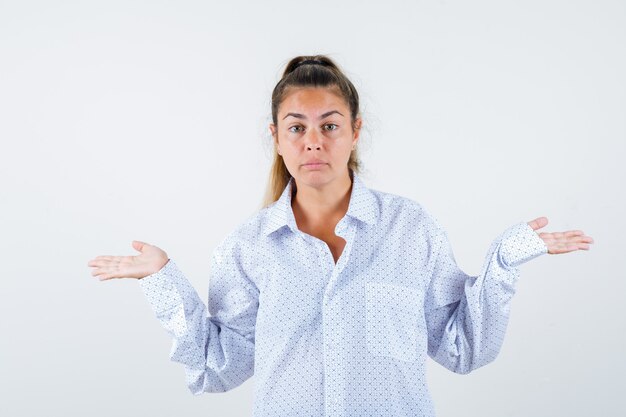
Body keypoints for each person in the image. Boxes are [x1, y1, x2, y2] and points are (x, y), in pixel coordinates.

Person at [87, 55, 594, 417]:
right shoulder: (249, 245)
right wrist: (162, 280)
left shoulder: (410, 228)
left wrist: (504, 261)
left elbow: (462, 348)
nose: (313, 141)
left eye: (329, 126)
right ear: (276, 138)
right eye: (297, 127)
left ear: (354, 131)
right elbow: (221, 366)